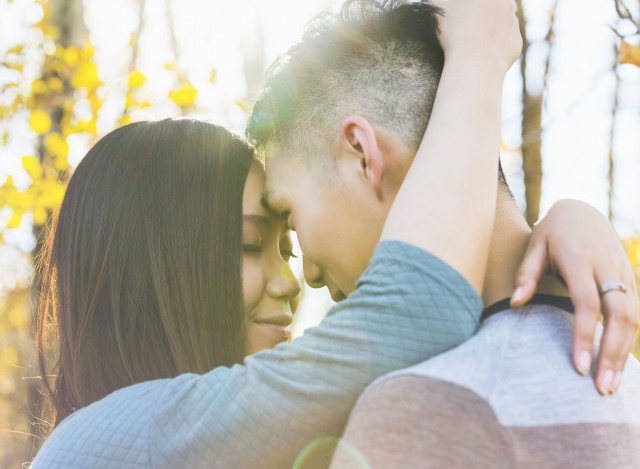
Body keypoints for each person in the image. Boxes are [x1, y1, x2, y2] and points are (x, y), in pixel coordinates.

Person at [32, 1, 637, 468]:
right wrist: (480, 54)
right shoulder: (100, 446)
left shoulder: (372, 419)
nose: (298, 280)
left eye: (289, 237)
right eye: (252, 242)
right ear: (155, 271)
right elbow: (411, 312)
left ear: (362, 152)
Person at [249, 1, 640, 466]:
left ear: (361, 153)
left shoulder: (420, 408)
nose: (307, 274)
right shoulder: (622, 374)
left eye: (291, 217)